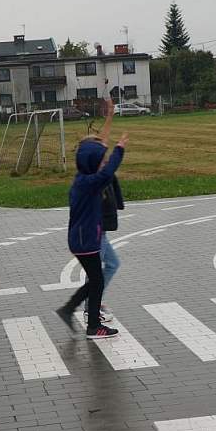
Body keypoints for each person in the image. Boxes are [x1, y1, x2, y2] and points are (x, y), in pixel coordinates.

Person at [55, 130, 129, 339]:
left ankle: (69, 309)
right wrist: (119, 150)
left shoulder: (83, 179)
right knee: (96, 281)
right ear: (91, 162)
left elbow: (101, 168)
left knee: (95, 280)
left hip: (82, 239)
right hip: (85, 240)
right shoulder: (88, 184)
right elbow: (106, 174)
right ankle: (93, 325)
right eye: (100, 161)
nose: (103, 164)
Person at [83, 100, 123, 323]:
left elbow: (104, 140)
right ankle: (92, 308)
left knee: (112, 265)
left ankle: (94, 302)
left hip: (101, 231)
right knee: (98, 272)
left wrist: (110, 116)